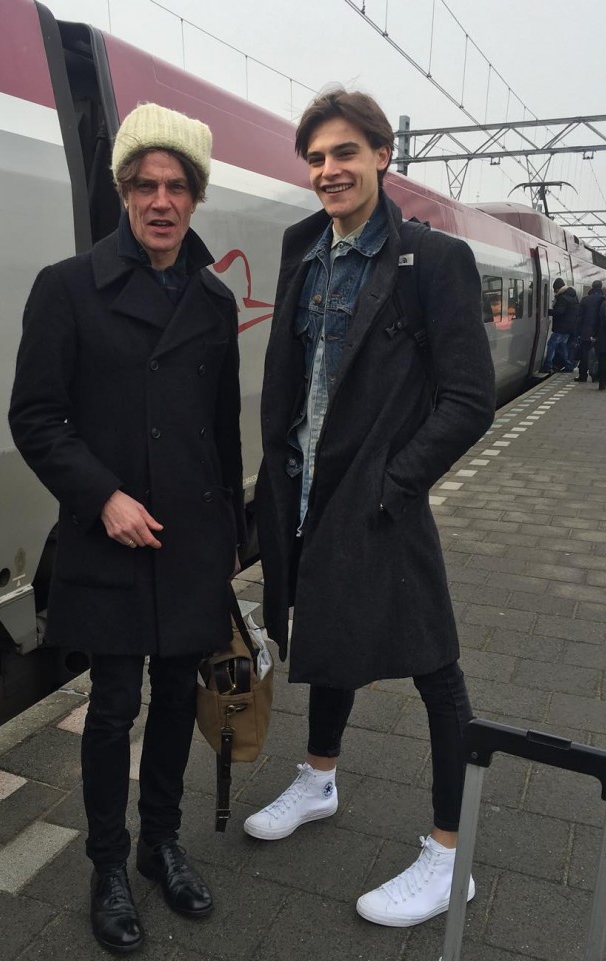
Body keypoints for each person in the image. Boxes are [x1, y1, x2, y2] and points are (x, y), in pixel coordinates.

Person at [249, 88, 495, 928]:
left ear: (383, 156)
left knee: (436, 664)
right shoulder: (301, 249)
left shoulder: (431, 261)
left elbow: (468, 400)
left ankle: (447, 856)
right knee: (326, 629)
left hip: (379, 495)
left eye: (345, 152)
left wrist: (396, 483)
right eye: (315, 157)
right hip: (307, 487)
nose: (328, 170)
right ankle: (319, 777)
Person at [9, 102, 245, 954]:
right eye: (144, 183)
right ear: (121, 190)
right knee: (112, 708)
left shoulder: (215, 302)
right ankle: (108, 864)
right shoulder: (65, 287)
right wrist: (101, 495)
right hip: (110, 536)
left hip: (187, 542)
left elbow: (224, 436)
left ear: (195, 197)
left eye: (177, 185)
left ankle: (162, 843)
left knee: (179, 697)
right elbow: (36, 417)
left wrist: (229, 538)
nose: (161, 199)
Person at [539, 277, 579, 373]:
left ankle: (548, 365)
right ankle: (569, 366)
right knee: (562, 345)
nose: (554, 291)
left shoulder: (562, 298)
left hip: (561, 327)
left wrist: (546, 311)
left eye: (555, 289)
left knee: (551, 344)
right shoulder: (573, 296)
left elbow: (559, 311)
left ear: (558, 288)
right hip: (570, 327)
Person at [574, 279, 604, 382]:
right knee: (598, 355)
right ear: (600, 287)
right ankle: (596, 375)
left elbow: (579, 318)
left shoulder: (585, 299)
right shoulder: (604, 299)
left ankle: (583, 376)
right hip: (600, 333)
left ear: (592, 287)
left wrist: (577, 332)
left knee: (584, 355)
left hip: (586, 332)